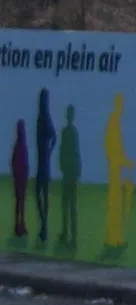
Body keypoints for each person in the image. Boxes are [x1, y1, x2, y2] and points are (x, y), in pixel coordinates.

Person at [104, 93, 134, 248]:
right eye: (121, 104)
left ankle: (116, 238)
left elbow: (115, 147)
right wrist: (120, 161)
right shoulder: (114, 120)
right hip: (115, 168)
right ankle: (113, 239)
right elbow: (112, 145)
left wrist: (125, 161)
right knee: (115, 204)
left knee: (116, 204)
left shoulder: (115, 120)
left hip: (116, 167)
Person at [34, 89, 55, 245]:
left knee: (39, 193)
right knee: (43, 194)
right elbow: (54, 137)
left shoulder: (43, 118)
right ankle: (44, 226)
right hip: (44, 159)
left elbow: (54, 137)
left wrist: (48, 150)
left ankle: (44, 226)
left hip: (43, 160)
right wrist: (49, 150)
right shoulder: (45, 118)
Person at [58, 106, 80, 248]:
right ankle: (71, 235)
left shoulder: (66, 132)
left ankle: (68, 234)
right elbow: (76, 152)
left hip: (68, 173)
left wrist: (63, 166)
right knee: (70, 205)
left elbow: (63, 151)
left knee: (67, 205)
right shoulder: (73, 132)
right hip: (71, 172)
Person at [10, 121, 28, 238]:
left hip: (20, 177)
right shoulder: (20, 145)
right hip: (20, 177)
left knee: (20, 202)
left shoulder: (19, 145)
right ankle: (19, 225)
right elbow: (15, 162)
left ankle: (20, 225)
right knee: (20, 202)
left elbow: (14, 162)